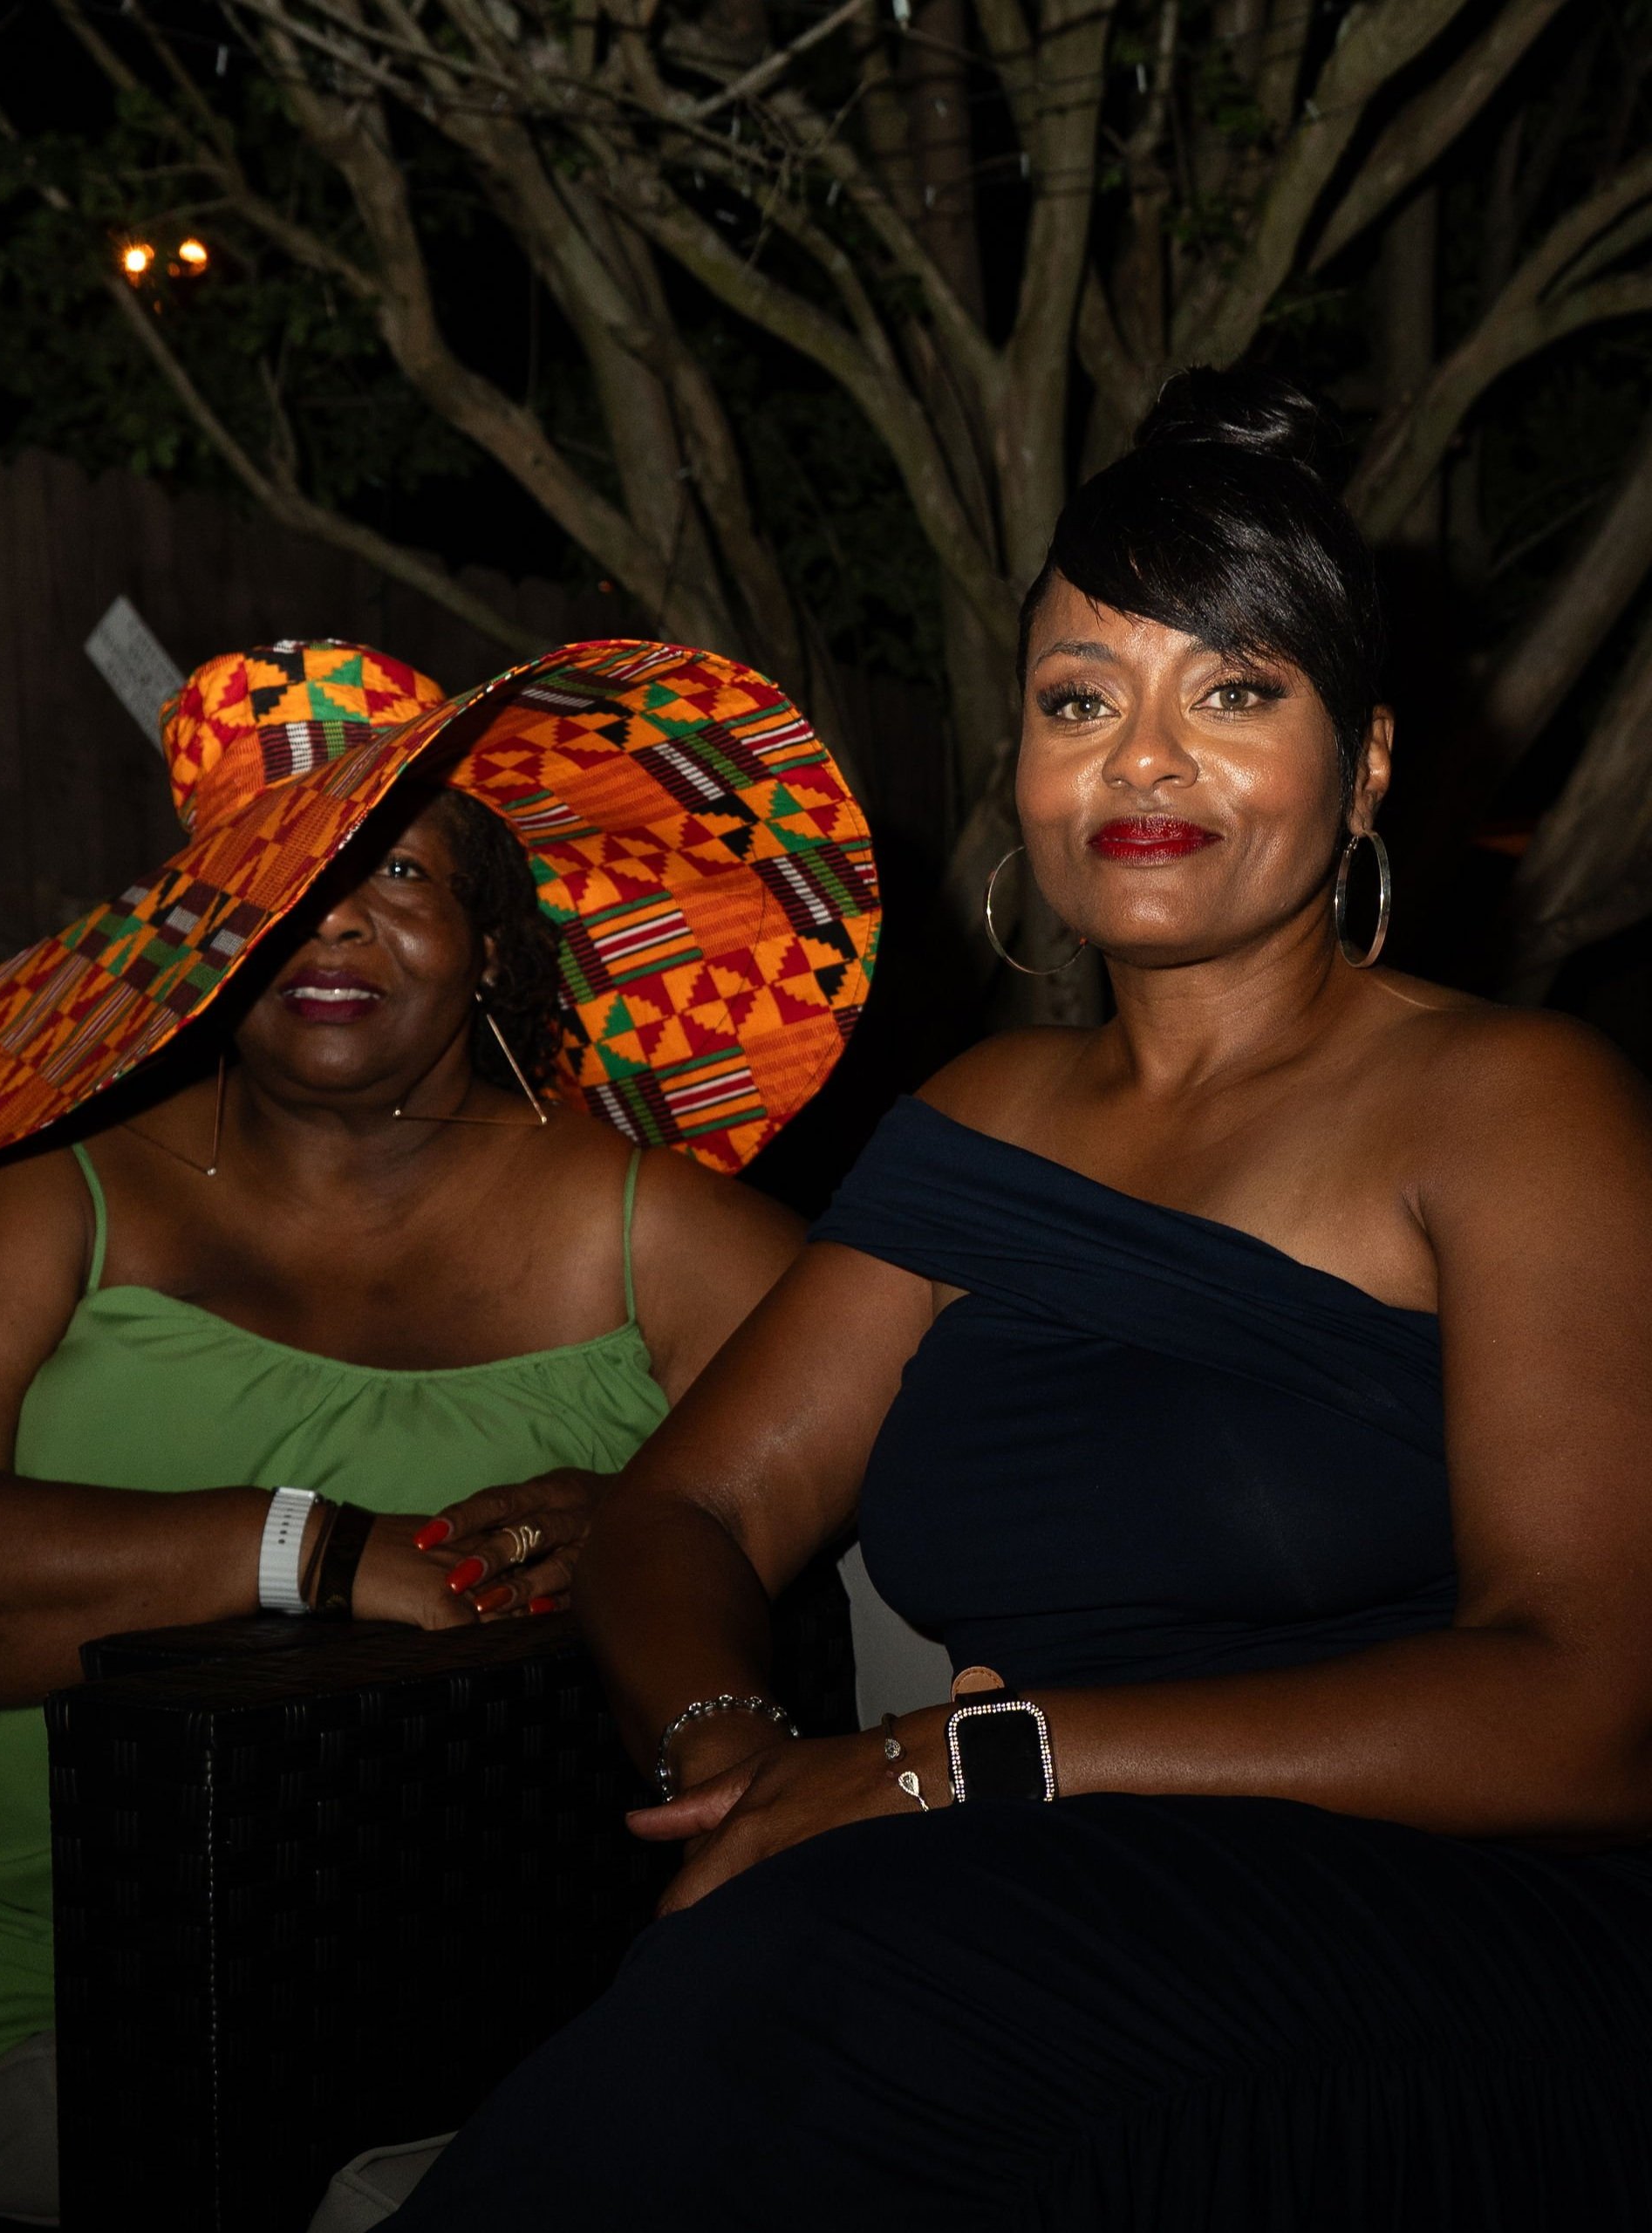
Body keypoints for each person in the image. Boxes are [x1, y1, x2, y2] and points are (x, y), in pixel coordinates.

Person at [393, 373, 1652, 2233]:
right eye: (1081, 701)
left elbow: (1590, 1708)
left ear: (1366, 761)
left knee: (822, 1991)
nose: (1139, 762)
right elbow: (687, 1506)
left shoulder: (1514, 1103)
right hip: (993, 1892)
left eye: (1232, 692)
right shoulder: (978, 1125)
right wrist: (734, 1748)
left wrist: (952, 1759)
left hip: (1436, 1914)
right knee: (787, 1974)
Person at [0, 634, 880, 2233]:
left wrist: (649, 1505)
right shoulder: (56, 1193)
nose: (329, 919)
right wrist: (313, 1550)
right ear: (200, 945)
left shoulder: (652, 1227)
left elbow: (937, 1449)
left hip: (472, 1939)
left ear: (487, 940)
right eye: (271, 883)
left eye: (397, 872)